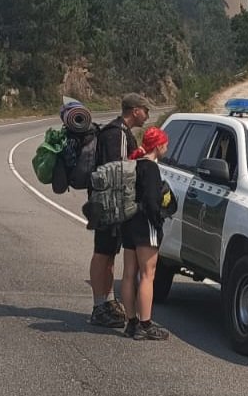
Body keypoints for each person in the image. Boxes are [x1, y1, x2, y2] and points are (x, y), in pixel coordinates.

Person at [88, 93, 149, 328]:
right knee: (102, 253)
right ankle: (98, 306)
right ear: (135, 111)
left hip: (109, 204)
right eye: (145, 110)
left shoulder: (119, 132)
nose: (147, 115)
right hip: (109, 204)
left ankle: (107, 301)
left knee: (109, 253)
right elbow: (119, 170)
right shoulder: (118, 134)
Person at [120, 127, 171, 340]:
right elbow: (151, 201)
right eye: (165, 144)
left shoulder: (135, 164)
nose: (167, 148)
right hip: (145, 225)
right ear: (158, 146)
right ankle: (145, 323)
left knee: (129, 274)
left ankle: (131, 322)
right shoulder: (151, 169)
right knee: (148, 275)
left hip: (129, 222)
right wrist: (159, 219)